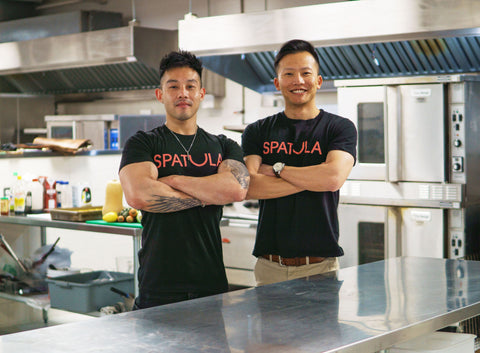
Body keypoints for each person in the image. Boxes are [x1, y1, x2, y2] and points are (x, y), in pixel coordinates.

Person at [119, 50, 250, 309]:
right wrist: (208, 193)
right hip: (158, 285)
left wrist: (172, 179)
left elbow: (235, 190)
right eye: (174, 86)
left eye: (191, 86)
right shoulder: (143, 143)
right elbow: (138, 194)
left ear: (201, 94)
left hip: (210, 284)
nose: (183, 93)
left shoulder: (224, 145)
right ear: (160, 94)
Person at [241, 39, 357, 286]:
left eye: (306, 73)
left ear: (318, 80)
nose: (298, 81)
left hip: (320, 267)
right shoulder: (257, 131)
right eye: (289, 74)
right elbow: (248, 186)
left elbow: (333, 178)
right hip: (269, 267)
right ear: (277, 82)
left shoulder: (338, 128)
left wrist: (276, 170)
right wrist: (315, 179)